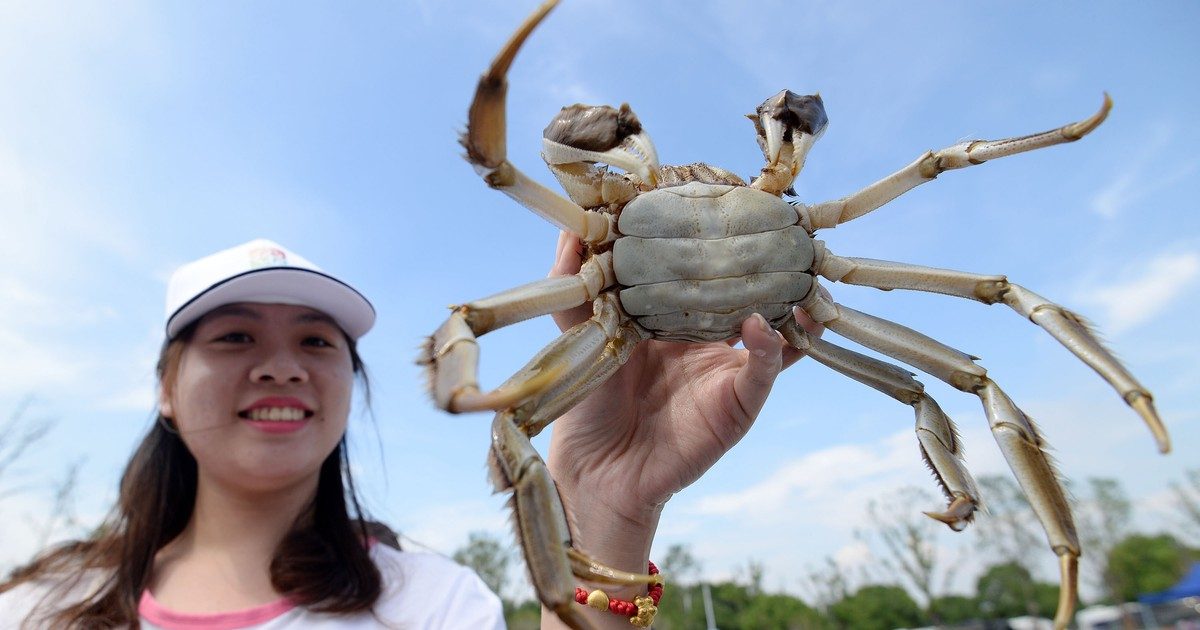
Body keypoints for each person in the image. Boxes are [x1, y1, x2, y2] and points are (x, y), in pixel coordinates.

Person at [0, 235, 823, 629]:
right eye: (235, 336)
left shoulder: (431, 603)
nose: (283, 366)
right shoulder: (38, 607)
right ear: (166, 390)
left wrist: (608, 498)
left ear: (349, 388)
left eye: (317, 342)